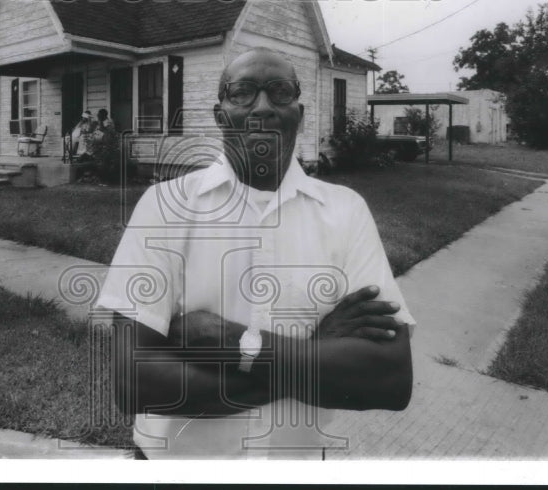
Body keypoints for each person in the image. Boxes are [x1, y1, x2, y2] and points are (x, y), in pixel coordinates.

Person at [95, 48, 415, 459]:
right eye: (242, 92)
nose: (262, 107)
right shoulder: (164, 206)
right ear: (219, 113)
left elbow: (388, 379)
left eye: (280, 92)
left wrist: (238, 346)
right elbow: (134, 382)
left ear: (299, 112)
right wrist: (314, 351)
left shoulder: (345, 211)